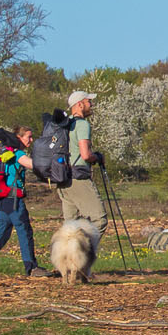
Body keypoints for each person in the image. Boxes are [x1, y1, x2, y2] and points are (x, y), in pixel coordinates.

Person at [0, 126, 48, 277]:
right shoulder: (16, 153)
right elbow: (32, 165)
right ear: (19, 138)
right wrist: (53, 164)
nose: (31, 140)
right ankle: (31, 267)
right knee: (24, 230)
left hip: (2, 197)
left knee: (2, 231)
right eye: (29, 137)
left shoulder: (6, 152)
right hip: (13, 199)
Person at [56, 90, 108, 239]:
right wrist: (97, 157)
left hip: (62, 179)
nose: (91, 105)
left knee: (70, 226)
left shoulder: (64, 125)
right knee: (99, 220)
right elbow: (85, 154)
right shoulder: (82, 124)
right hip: (78, 177)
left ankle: (68, 260)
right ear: (80, 104)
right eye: (88, 102)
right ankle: (82, 253)